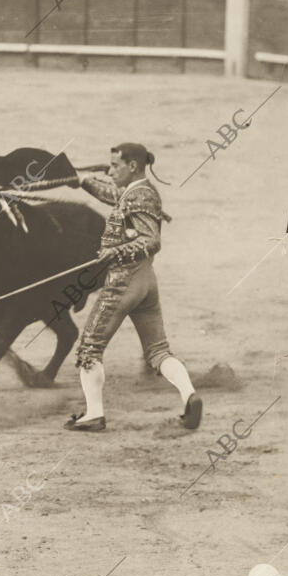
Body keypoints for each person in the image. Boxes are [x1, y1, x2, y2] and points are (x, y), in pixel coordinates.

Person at [65, 143, 202, 432]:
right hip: (146, 282)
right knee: (157, 349)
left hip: (124, 280)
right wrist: (83, 181)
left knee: (89, 347)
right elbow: (115, 196)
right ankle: (190, 396)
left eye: (115, 166)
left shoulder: (139, 194)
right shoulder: (138, 191)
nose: (110, 170)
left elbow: (151, 240)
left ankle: (94, 414)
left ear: (132, 167)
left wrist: (116, 252)